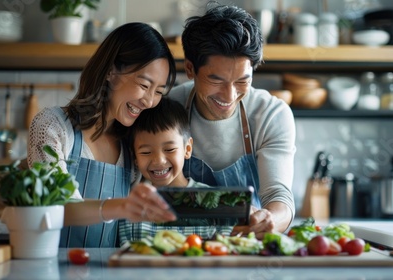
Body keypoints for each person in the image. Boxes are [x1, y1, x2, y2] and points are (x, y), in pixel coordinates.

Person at [27, 22, 177, 248]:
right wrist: (121, 206)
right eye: (144, 85)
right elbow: (55, 207)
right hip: (52, 267)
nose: (149, 101)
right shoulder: (53, 126)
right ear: (110, 72)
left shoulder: (133, 143)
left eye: (158, 92)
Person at [168, 3, 296, 239]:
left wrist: (270, 219)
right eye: (216, 80)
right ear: (190, 68)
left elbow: (279, 197)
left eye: (241, 81)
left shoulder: (271, 114)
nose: (229, 96)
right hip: (180, 247)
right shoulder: (168, 107)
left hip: (246, 248)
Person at [119, 97, 234, 244]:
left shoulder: (215, 201)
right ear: (134, 156)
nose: (159, 161)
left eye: (169, 149)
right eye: (146, 152)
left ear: (187, 149)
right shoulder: (130, 206)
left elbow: (226, 251)